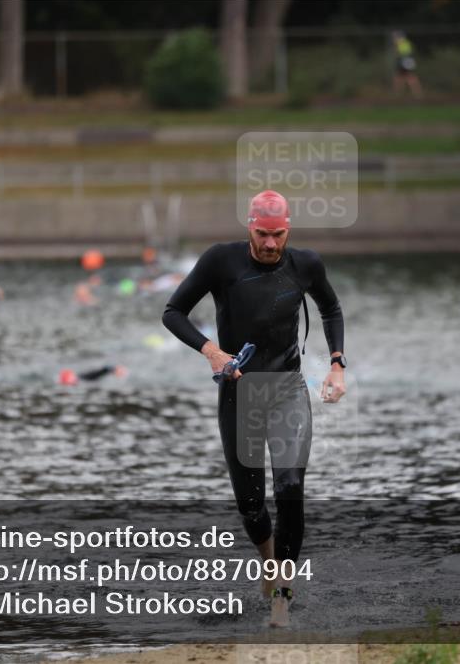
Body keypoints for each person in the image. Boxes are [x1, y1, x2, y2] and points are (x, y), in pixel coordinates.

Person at [162, 190, 347, 628]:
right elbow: (173, 312)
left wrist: (337, 364)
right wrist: (210, 350)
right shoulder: (220, 261)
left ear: (288, 230)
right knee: (250, 504)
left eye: (278, 235)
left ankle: (282, 598)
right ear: (250, 227)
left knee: (290, 489)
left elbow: (331, 307)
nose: (269, 244)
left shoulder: (306, 264)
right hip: (238, 393)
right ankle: (268, 562)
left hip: (287, 389)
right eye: (262, 234)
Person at [392, 31, 422, 97]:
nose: (394, 39)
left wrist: (396, 50)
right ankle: (400, 93)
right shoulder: (404, 43)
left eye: (395, 37)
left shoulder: (402, 43)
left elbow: (403, 54)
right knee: (402, 77)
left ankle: (416, 93)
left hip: (405, 61)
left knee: (407, 77)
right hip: (406, 61)